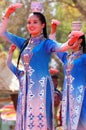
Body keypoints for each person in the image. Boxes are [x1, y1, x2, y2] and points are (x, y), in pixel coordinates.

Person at [0, 2, 69, 130]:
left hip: (41, 87)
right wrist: (8, 14)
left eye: (35, 22)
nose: (31, 25)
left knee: (41, 119)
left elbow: (62, 47)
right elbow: (2, 33)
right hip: (25, 87)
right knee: (25, 120)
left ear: (43, 25)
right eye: (29, 22)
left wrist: (72, 40)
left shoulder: (47, 43)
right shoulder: (24, 43)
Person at [50, 20, 86, 130]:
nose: (69, 41)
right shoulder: (66, 57)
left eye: (72, 38)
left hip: (82, 96)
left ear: (80, 40)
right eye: (68, 38)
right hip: (68, 98)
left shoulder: (84, 58)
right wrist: (54, 28)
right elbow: (53, 45)